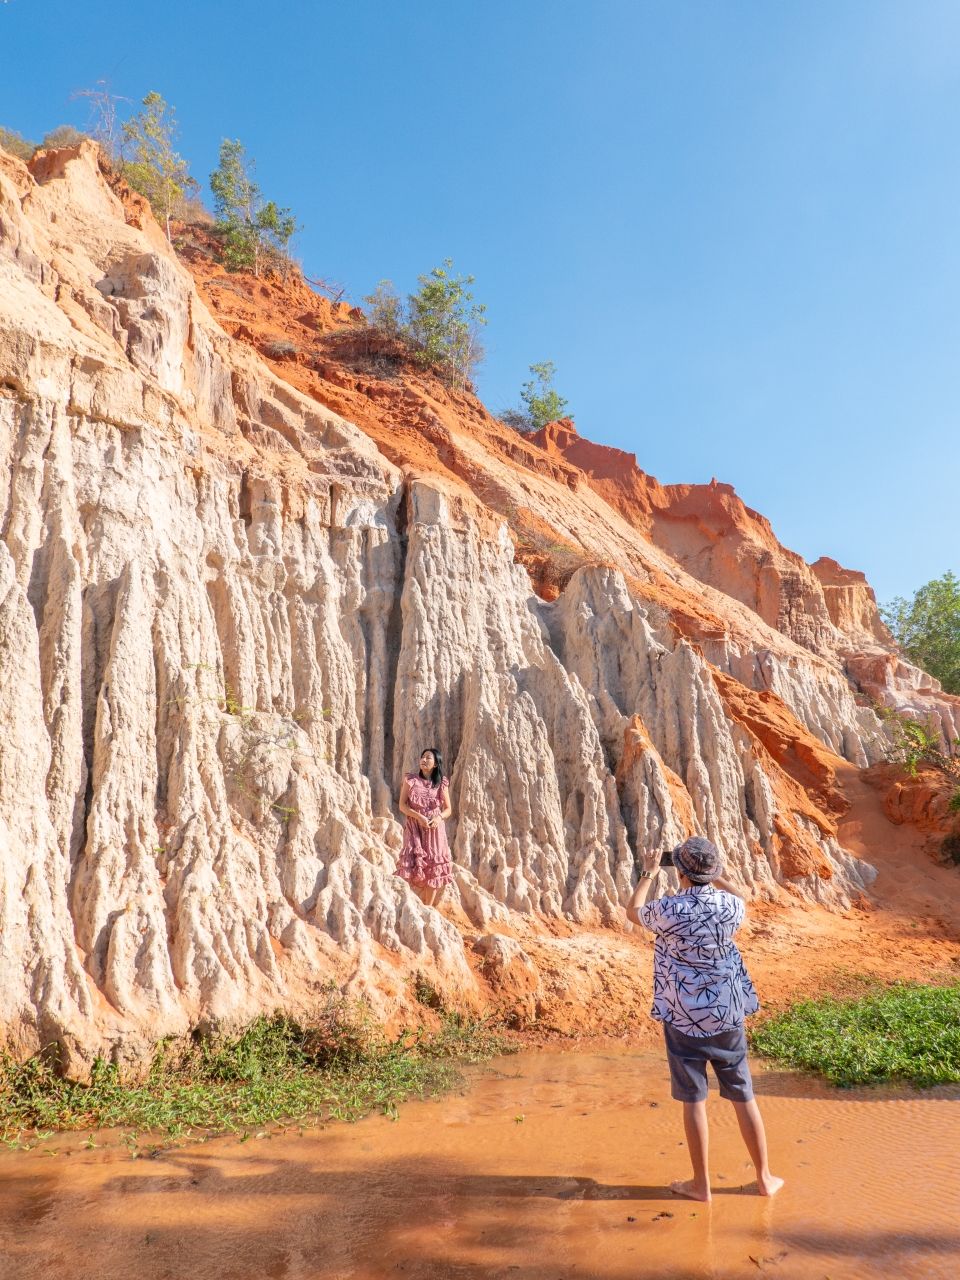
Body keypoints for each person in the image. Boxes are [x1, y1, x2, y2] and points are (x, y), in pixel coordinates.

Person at [626, 836, 783, 1201]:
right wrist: (717, 875)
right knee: (744, 1095)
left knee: (693, 1100)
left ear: (679, 873)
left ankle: (701, 1186)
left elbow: (633, 911)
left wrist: (648, 874)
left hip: (683, 1016)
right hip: (727, 1013)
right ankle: (764, 1178)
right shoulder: (730, 907)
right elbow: (740, 896)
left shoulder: (669, 910)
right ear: (711, 873)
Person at [395, 748, 453, 907]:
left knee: (432, 866)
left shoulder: (441, 783)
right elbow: (402, 805)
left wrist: (438, 817)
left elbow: (448, 809)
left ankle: (427, 908)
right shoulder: (410, 780)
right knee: (410, 862)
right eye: (422, 757)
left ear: (436, 764)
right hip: (414, 826)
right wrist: (419, 816)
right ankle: (406, 904)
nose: (424, 760)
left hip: (435, 829)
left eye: (428, 758)